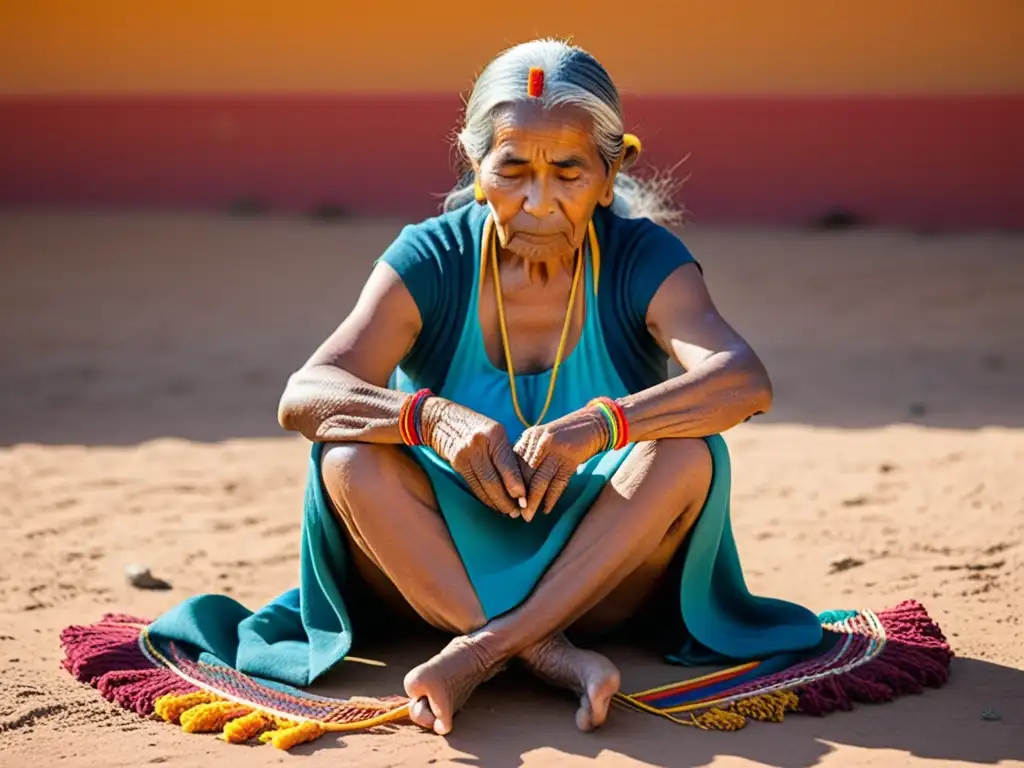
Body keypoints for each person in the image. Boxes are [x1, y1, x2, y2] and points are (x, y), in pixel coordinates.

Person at [276, 38, 822, 737]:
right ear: (476, 168)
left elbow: (742, 380)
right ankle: (546, 652)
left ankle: (484, 650)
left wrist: (603, 425)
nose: (538, 202)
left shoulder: (640, 256)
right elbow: (306, 394)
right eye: (512, 170)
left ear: (610, 172)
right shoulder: (433, 255)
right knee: (347, 458)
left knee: (688, 454)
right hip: (439, 560)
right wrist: (430, 417)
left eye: (568, 172)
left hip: (599, 569)